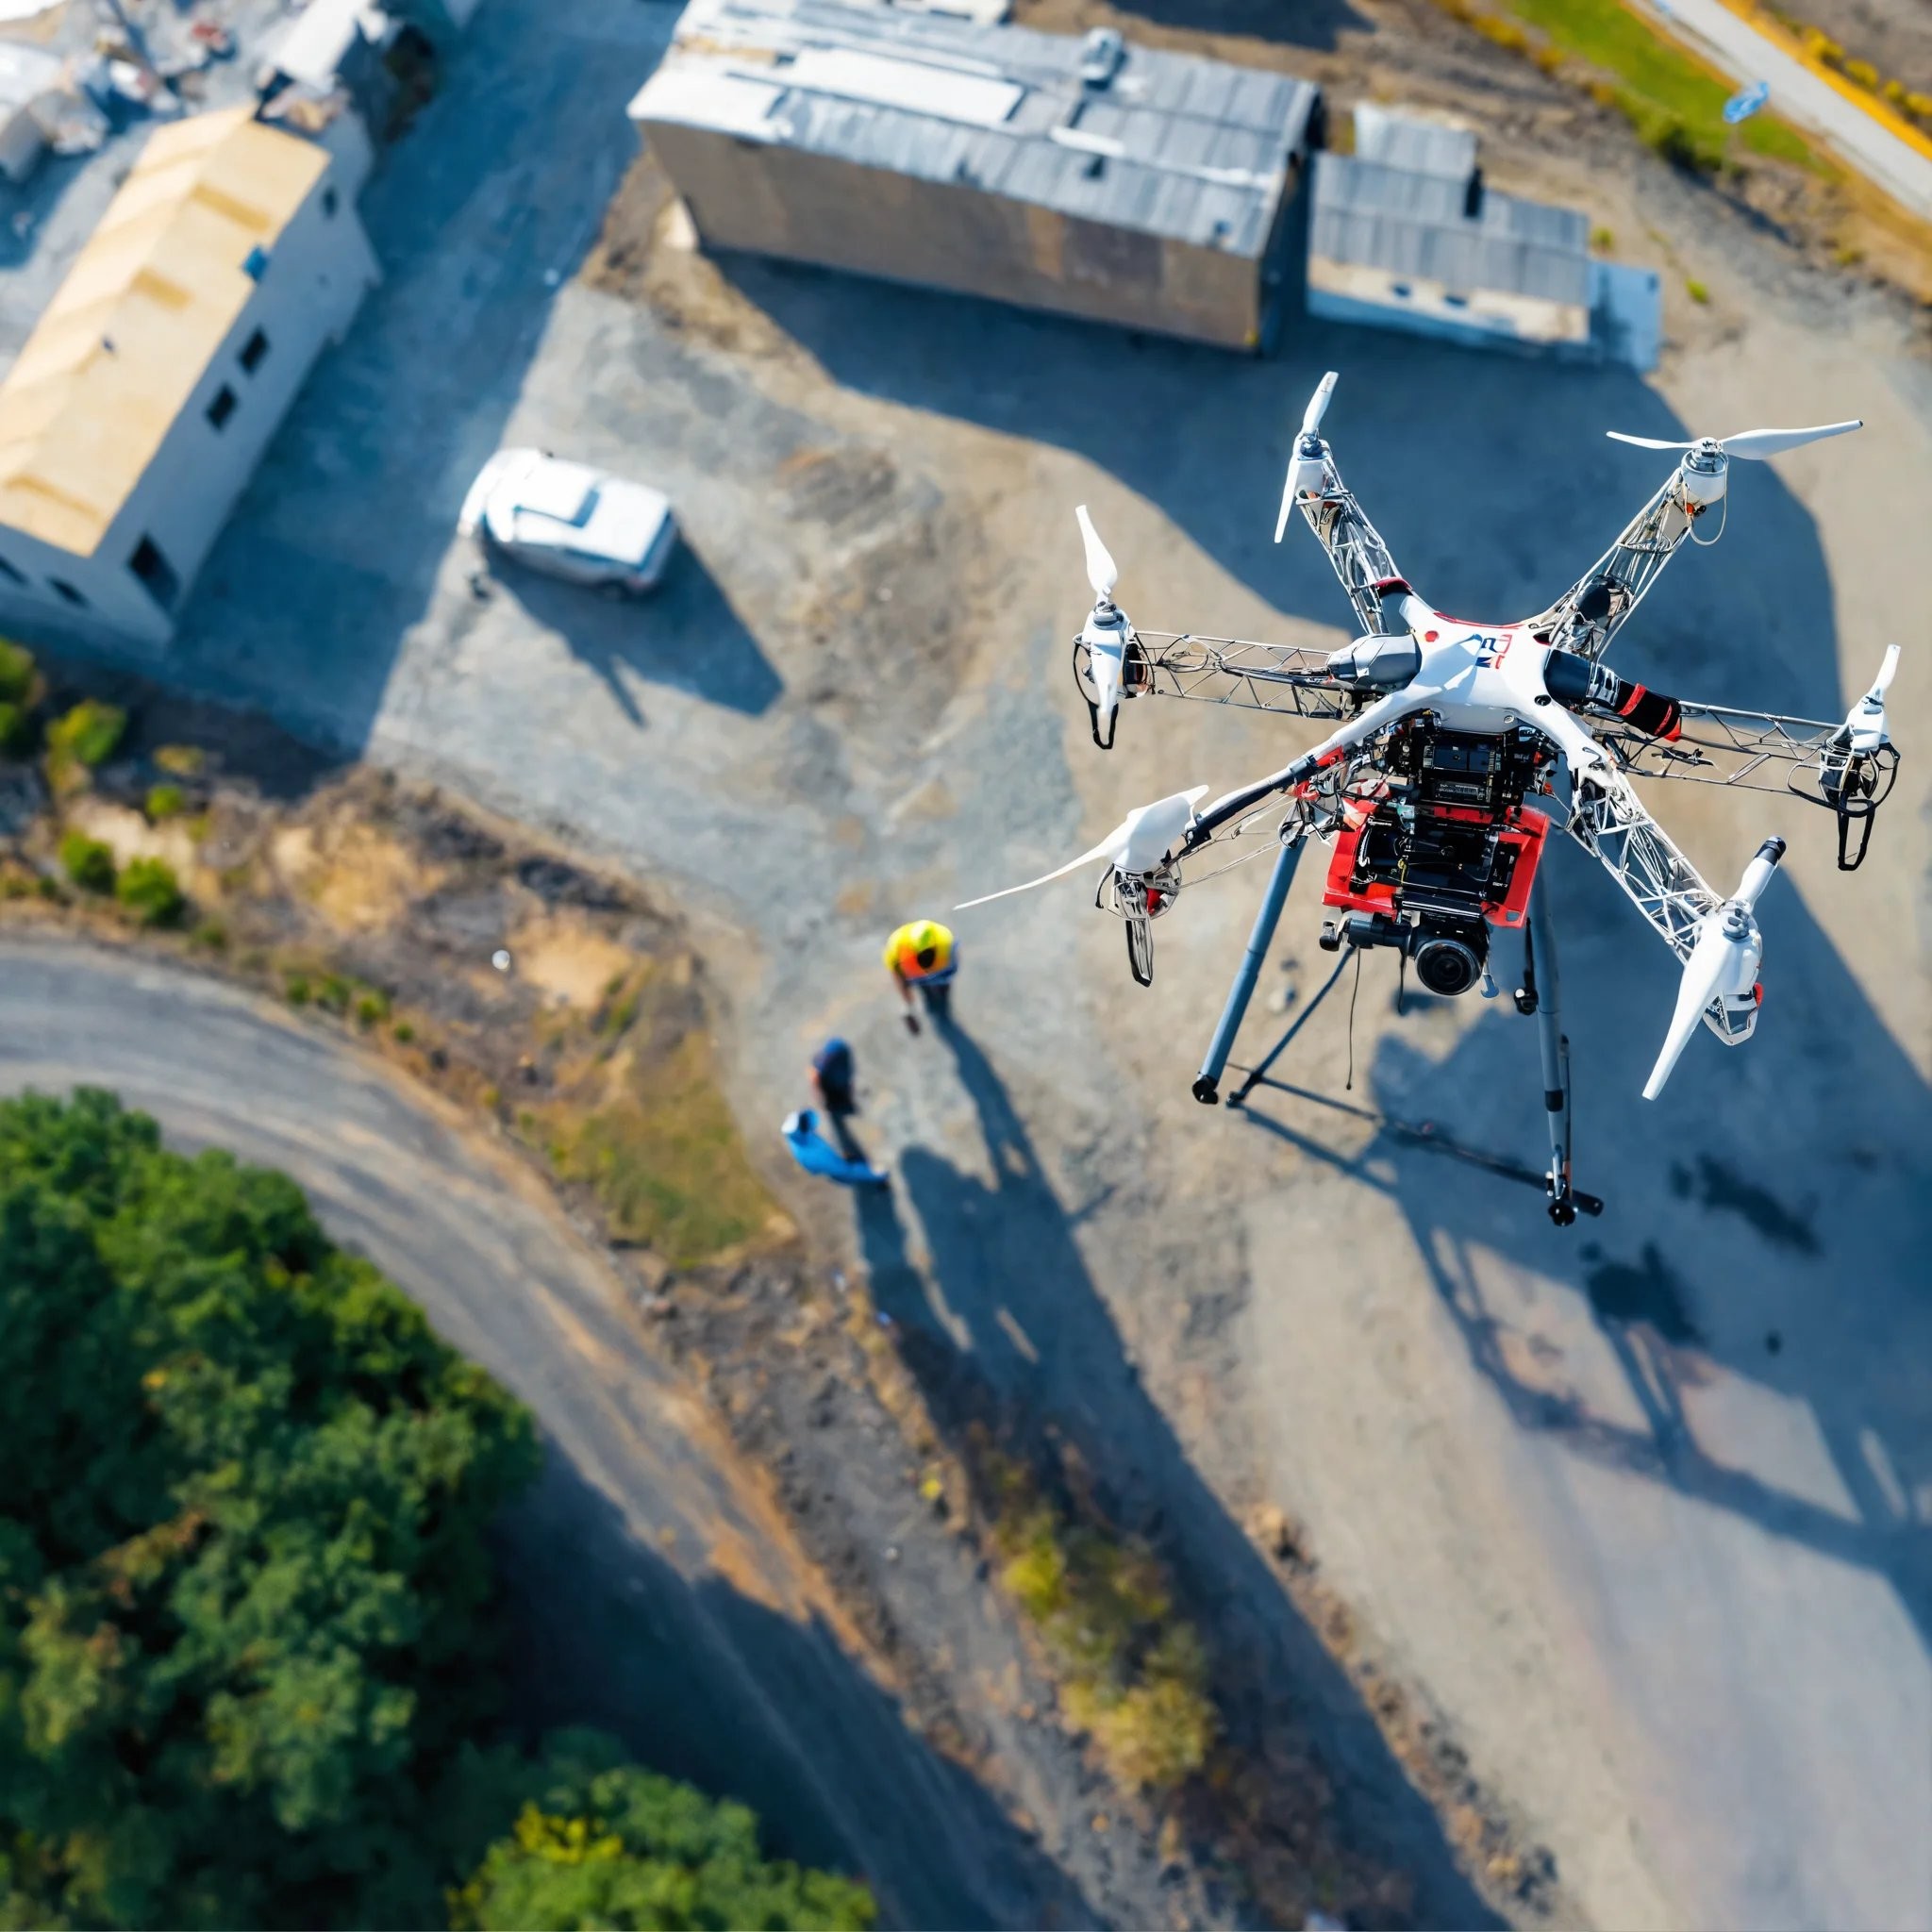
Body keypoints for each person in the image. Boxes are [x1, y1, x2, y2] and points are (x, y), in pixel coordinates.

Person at [882, 918, 957, 1034]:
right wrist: (908, 1005)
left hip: (938, 975)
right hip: (918, 978)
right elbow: (899, 978)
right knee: (929, 995)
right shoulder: (896, 948)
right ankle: (935, 1009)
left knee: (943, 992)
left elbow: (953, 961)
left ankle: (941, 1010)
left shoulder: (944, 939)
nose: (927, 970)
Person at [781, 1109, 887, 1189]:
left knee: (843, 1174)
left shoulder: (797, 1139)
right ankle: (879, 1177)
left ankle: (858, 1177)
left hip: (826, 1163)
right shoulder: (814, 1155)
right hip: (833, 1165)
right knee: (851, 1172)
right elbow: (843, 1168)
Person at [810, 1037, 857, 1118]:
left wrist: (817, 1095)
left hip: (837, 1075)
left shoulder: (840, 1069)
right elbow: (815, 1076)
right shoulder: (827, 1065)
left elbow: (815, 1077)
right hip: (837, 1072)